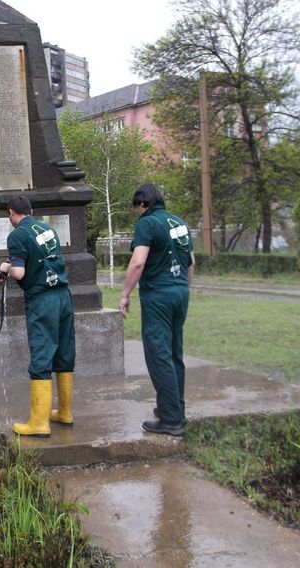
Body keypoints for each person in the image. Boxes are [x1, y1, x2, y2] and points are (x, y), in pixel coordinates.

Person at [0, 195, 76, 437]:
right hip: (63, 296)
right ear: (30, 211)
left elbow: (19, 273)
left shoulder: (17, 234)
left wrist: (5, 268)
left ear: (11, 213)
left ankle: (39, 423)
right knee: (64, 354)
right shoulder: (47, 229)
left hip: (42, 301)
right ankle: (65, 412)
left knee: (42, 354)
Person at [119, 183, 194, 437]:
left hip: (158, 295)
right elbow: (190, 262)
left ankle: (171, 419)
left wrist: (125, 294)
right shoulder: (179, 223)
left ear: (143, 204)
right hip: (180, 292)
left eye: (137, 208)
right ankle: (174, 409)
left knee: (158, 354)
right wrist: (183, 288)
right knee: (174, 353)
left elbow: (138, 262)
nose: (137, 213)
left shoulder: (147, 223)